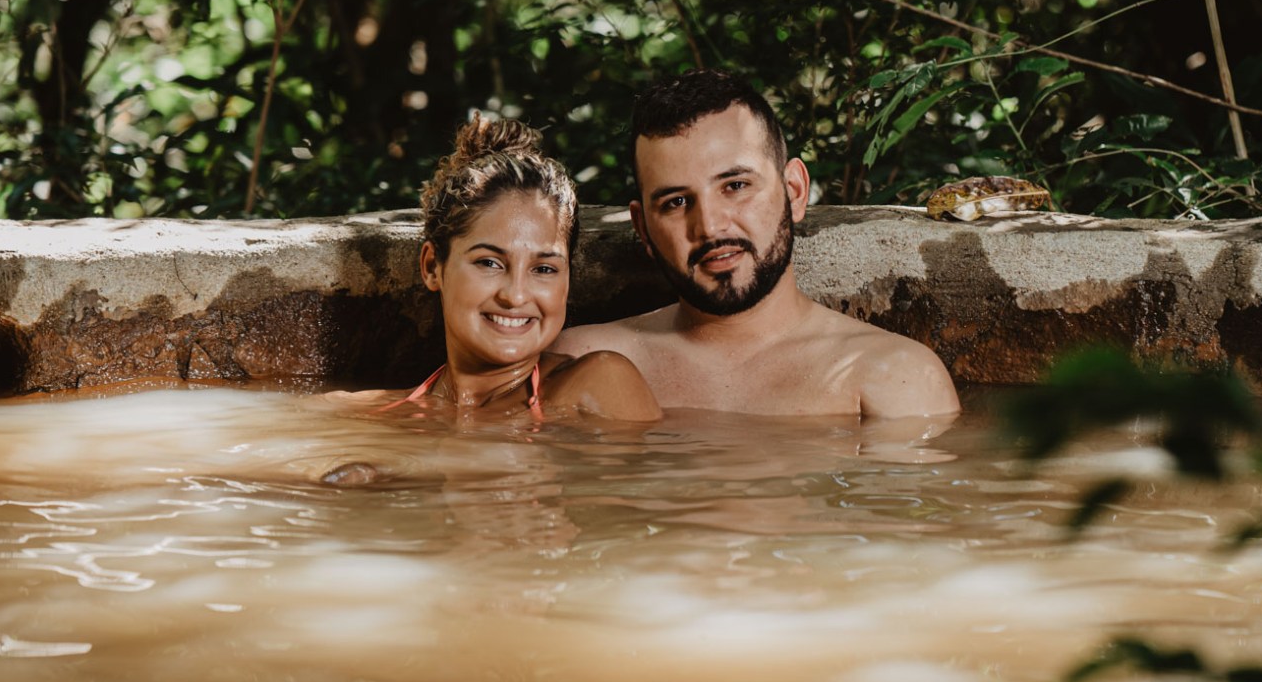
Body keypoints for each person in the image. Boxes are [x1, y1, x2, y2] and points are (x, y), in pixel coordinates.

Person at [553, 70, 961, 422]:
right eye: (676, 202)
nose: (710, 226)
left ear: (795, 191)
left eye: (735, 186)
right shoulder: (577, 361)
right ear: (643, 227)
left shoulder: (892, 379)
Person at [386, 115, 661, 424]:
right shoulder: (382, 415)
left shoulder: (597, 384)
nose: (515, 296)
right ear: (432, 267)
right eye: (489, 263)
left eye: (543, 269)